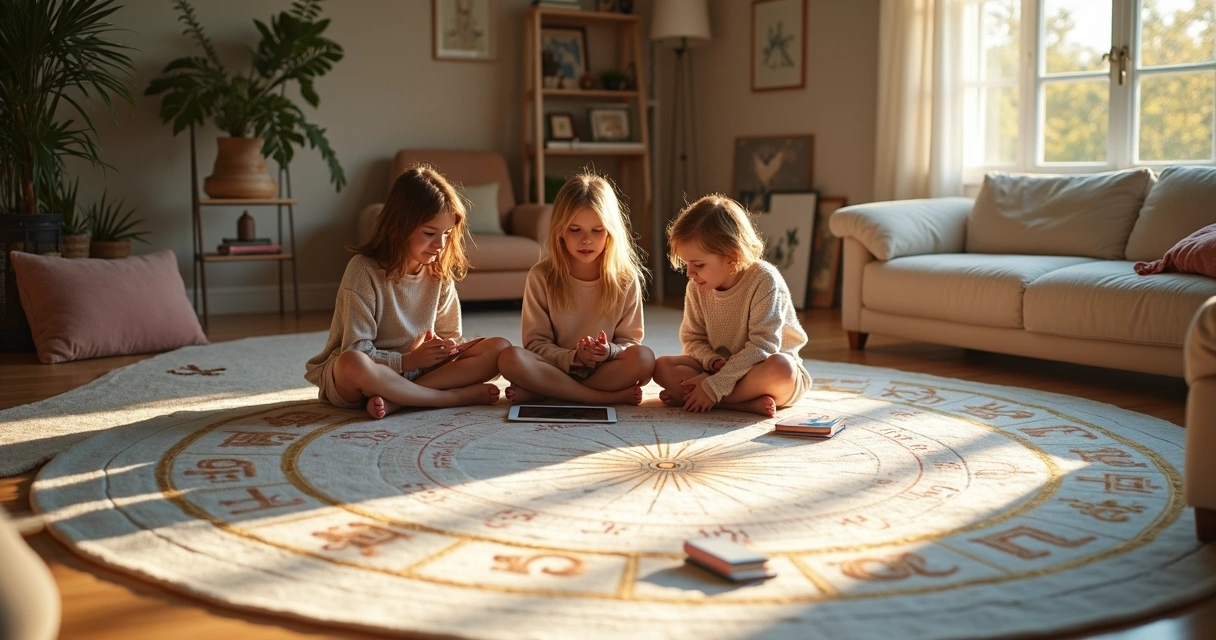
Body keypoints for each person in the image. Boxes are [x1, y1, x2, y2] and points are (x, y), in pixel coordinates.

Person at [305, 164, 508, 419]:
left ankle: (399, 400)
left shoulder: (439, 272)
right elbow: (356, 348)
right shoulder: (363, 270)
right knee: (351, 363)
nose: (441, 244)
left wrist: (444, 349)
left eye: (447, 233)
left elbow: (451, 336)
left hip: (418, 373)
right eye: (430, 233)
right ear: (398, 227)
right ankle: (448, 398)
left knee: (499, 348)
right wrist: (407, 361)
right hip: (367, 376)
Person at [498, 172, 653, 405]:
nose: (586, 240)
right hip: (555, 367)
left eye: (597, 230)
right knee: (509, 358)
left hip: (603, 370)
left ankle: (547, 392)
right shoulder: (541, 276)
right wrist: (573, 357)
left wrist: (607, 351)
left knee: (644, 359)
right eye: (575, 229)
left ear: (610, 232)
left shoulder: (625, 278)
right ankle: (597, 397)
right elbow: (535, 344)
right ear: (560, 229)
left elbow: (630, 343)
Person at [653, 194, 811, 417]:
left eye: (698, 264)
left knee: (782, 370)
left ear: (732, 257)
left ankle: (709, 397)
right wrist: (712, 361)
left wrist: (715, 386)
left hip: (762, 367)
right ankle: (741, 403)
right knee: (662, 367)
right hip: (718, 370)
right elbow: (692, 340)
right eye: (687, 264)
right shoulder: (696, 286)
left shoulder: (764, 279)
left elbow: (763, 347)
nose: (689, 273)